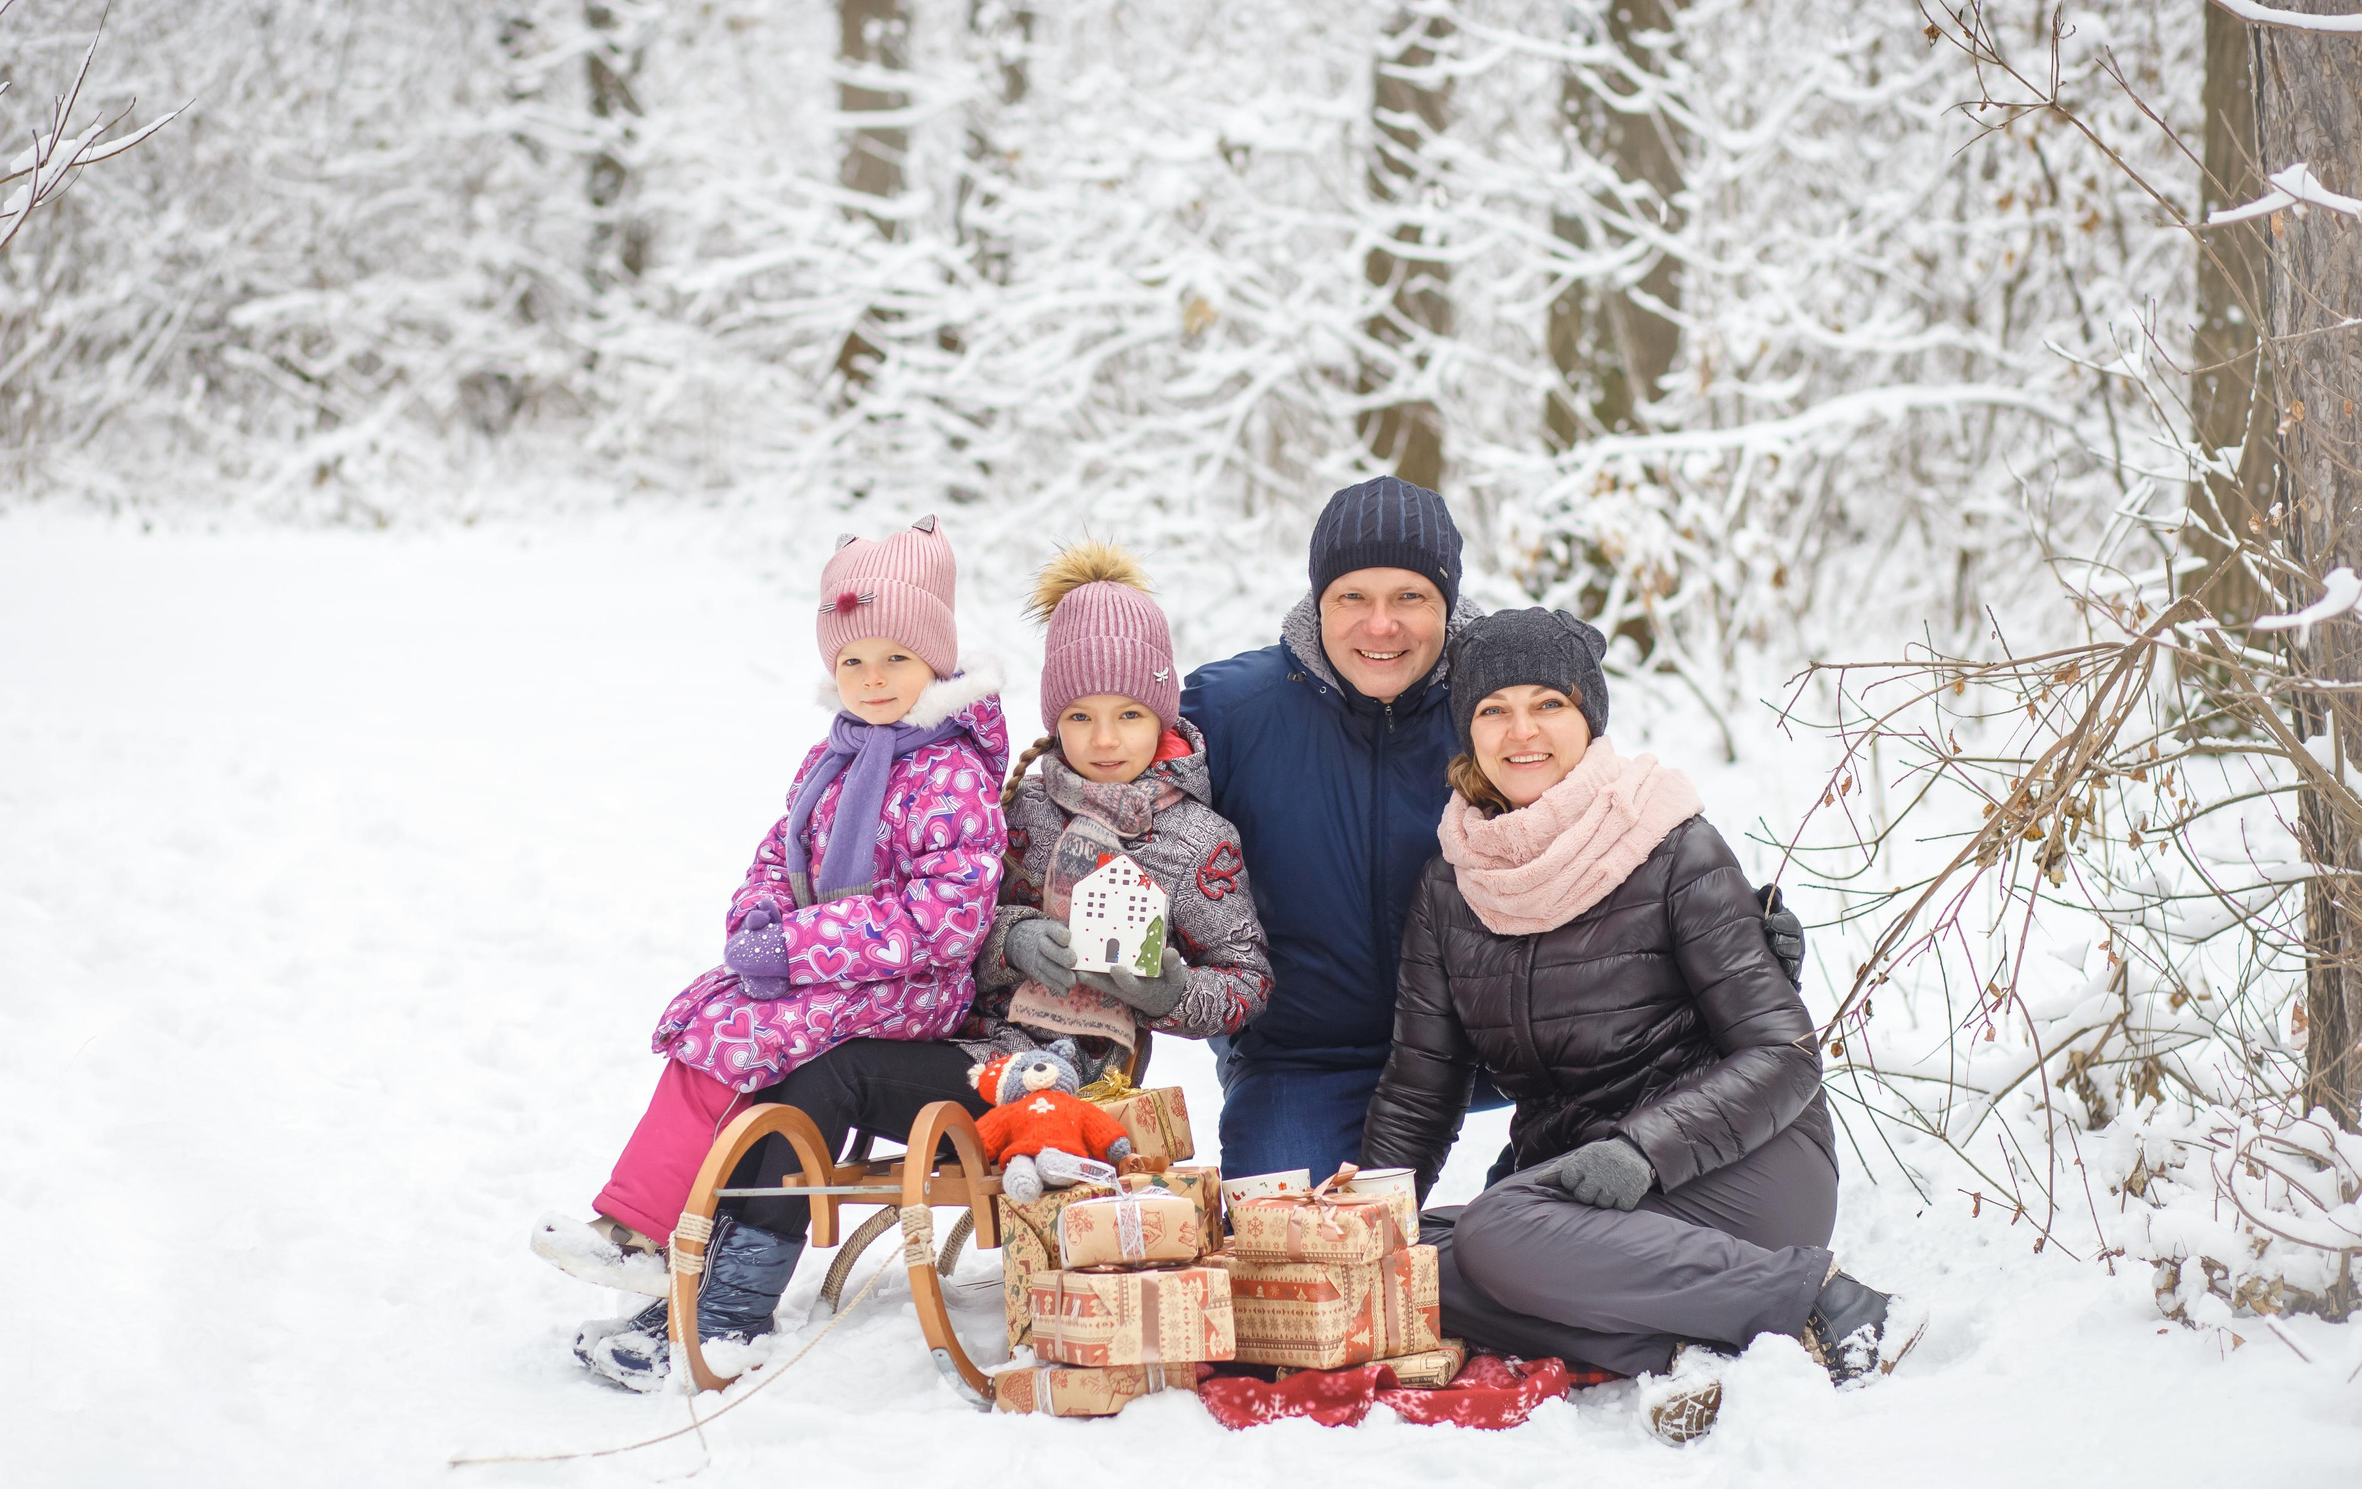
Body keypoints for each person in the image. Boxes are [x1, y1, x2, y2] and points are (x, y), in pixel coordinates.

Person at [558, 541, 1273, 1390]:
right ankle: (704, 1294)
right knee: (806, 1071)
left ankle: (722, 1316)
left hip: (1071, 1082)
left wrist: (1168, 989)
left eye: (1127, 715)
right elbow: (954, 912)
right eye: (1080, 716)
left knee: (834, 1073)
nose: (1104, 738)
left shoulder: (1195, 839)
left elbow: (1247, 978)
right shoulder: (1022, 801)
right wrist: (1010, 939)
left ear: (1162, 710)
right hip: (970, 1047)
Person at [1359, 607, 1913, 1430]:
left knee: (1500, 1227)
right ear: (1467, 731)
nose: (1522, 732)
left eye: (1548, 703)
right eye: (1493, 710)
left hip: (1737, 1167)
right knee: (1413, 1260)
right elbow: (1420, 1088)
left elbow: (1786, 1053)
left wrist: (1642, 1152)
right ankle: (1699, 1336)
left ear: (1589, 714)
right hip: (1587, 1187)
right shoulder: (1453, 886)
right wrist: (1363, 1216)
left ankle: (1823, 1298)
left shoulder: (1669, 844)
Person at [1183, 476, 1804, 1182]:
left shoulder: (1497, 703)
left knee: (1576, 1217)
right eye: (1353, 596)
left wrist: (1724, 940)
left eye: (1410, 597)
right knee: (1298, 1265)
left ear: (1446, 604)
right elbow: (1145, 830)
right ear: (1314, 601)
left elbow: (1602, 832)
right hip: (1308, 1055)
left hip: (1508, 1036)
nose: (1380, 624)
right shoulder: (1229, 711)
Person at [529, 517, 1010, 1384]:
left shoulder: (952, 773)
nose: (871, 680)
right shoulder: (835, 757)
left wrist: (795, 944)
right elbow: (777, 855)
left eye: (894, 659)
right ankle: (652, 1236)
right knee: (715, 1017)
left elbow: (943, 919)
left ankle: (700, 1279)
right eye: (852, 661)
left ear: (934, 661)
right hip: (833, 964)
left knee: (758, 1039)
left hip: (917, 985)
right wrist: (757, 923)